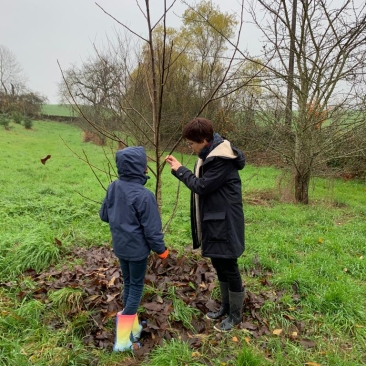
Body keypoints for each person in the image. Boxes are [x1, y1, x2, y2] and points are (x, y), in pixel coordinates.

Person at [165, 117, 245, 332]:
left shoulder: (220, 160)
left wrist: (180, 170)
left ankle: (235, 316)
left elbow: (202, 186)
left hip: (225, 223)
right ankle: (225, 308)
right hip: (215, 221)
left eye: (191, 144)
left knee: (229, 266)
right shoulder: (209, 154)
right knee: (220, 265)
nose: (190, 148)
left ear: (203, 140)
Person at [100, 146, 169, 352]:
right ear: (140, 168)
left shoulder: (113, 187)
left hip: (120, 247)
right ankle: (122, 342)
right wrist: (161, 250)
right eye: (144, 165)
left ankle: (135, 327)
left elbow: (104, 215)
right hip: (138, 250)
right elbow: (152, 229)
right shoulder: (144, 195)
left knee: (129, 283)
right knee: (136, 286)